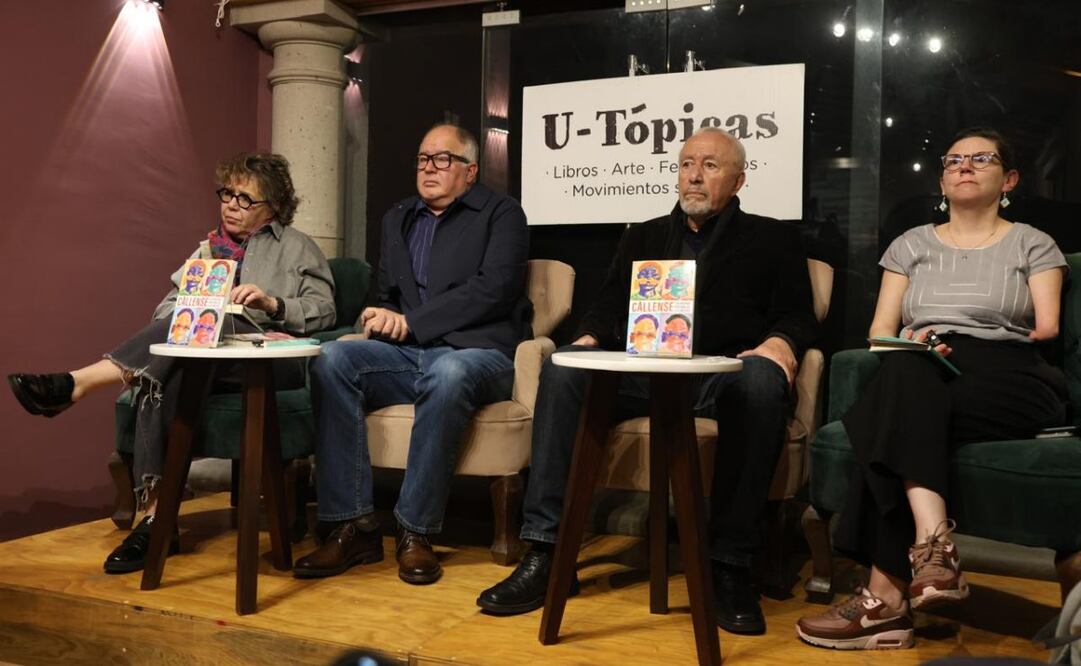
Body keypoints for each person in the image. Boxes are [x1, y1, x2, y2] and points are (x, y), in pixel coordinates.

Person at [476, 127, 818, 634]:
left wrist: (779, 346)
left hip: (723, 375)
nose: (694, 176)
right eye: (685, 164)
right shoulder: (643, 234)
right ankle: (548, 552)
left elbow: (797, 315)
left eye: (710, 165)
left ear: (739, 179)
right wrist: (590, 337)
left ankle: (728, 565)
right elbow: (608, 305)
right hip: (644, 373)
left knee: (762, 383)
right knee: (565, 368)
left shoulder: (772, 237)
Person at [796, 127, 1069, 650]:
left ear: (1008, 178)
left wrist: (964, 336)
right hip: (923, 363)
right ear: (942, 178)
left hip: (1010, 370)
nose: (964, 166)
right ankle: (932, 552)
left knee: (884, 418)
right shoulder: (911, 244)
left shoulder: (1033, 241)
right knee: (905, 372)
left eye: (981, 158)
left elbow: (1046, 327)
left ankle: (885, 601)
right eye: (953, 160)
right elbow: (881, 332)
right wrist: (913, 341)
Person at [7, 152, 336, 573]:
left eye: (245, 199)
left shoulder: (297, 247)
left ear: (272, 207)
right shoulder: (205, 251)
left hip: (267, 359)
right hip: (202, 357)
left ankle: (78, 383)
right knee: (160, 375)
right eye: (227, 194)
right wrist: (191, 310)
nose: (231, 205)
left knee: (169, 361)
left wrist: (273, 302)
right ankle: (157, 522)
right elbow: (163, 310)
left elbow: (324, 309)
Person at [293, 123, 531, 585]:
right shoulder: (397, 217)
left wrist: (414, 323)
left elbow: (495, 289)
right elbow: (390, 293)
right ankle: (352, 526)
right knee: (333, 359)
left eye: (443, 159)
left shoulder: (502, 214)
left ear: (470, 170)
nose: (429, 168)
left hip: (480, 353)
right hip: (409, 354)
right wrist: (381, 314)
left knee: (449, 372)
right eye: (423, 159)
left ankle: (414, 531)